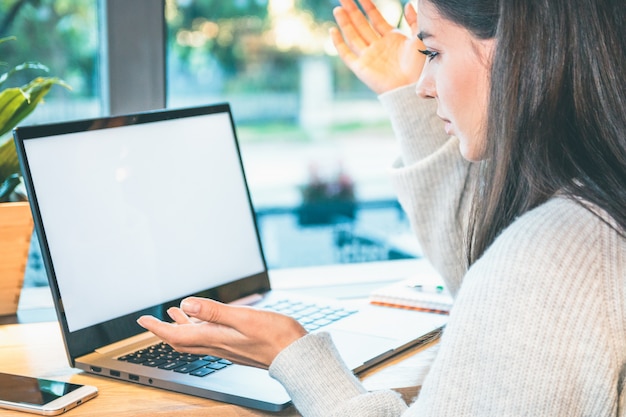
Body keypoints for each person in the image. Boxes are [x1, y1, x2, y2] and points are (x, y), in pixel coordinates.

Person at [138, 0, 626, 414]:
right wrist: (411, 102)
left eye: (433, 51)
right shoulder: (591, 217)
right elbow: (489, 269)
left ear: (520, 47)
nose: (423, 84)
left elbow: (517, 280)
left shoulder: (550, 257)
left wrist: (292, 355)